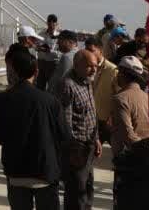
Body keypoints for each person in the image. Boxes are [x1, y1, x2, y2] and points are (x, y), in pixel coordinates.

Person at [0, 48, 67, 210]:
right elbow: (63, 135)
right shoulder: (50, 101)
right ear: (36, 72)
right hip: (45, 170)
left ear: (13, 71)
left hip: (16, 170)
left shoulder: (2, 99)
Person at [58, 49, 100, 210]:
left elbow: (91, 113)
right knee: (76, 192)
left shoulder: (87, 81)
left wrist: (96, 138)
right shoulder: (68, 85)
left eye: (95, 65)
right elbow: (66, 122)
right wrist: (73, 151)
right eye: (89, 66)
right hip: (77, 149)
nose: (94, 70)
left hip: (89, 145)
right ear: (76, 65)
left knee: (87, 189)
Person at [110, 55, 149, 157]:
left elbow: (127, 135)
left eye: (118, 73)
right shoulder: (147, 97)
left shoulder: (120, 99)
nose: (117, 76)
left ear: (123, 75)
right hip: (147, 153)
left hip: (130, 157)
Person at [84, 38, 117, 145]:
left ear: (101, 51)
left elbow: (118, 96)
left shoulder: (112, 70)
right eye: (86, 50)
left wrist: (112, 116)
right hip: (89, 118)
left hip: (106, 120)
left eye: (91, 50)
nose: (89, 53)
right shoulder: (84, 68)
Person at [45, 30, 80, 96]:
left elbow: (61, 80)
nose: (57, 43)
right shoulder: (77, 54)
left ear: (70, 42)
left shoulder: (67, 57)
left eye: (60, 40)